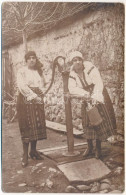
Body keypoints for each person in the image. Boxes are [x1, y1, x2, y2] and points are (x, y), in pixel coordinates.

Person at [68, 51, 117, 159]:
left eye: (79, 59)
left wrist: (94, 97)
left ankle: (98, 149)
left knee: (97, 121)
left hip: (96, 93)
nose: (77, 62)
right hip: (85, 97)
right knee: (87, 123)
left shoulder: (90, 67)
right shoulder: (72, 74)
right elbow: (72, 88)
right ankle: (89, 147)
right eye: (75, 60)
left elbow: (98, 82)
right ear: (72, 62)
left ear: (82, 60)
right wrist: (85, 94)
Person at [16, 51, 47, 167]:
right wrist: (34, 96)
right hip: (25, 99)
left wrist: (41, 95)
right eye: (29, 58)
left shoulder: (39, 72)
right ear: (26, 60)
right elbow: (22, 86)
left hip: (38, 99)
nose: (32, 60)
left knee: (36, 124)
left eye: (34, 58)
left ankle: (33, 151)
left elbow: (44, 84)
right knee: (26, 126)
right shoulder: (22, 71)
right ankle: (25, 154)